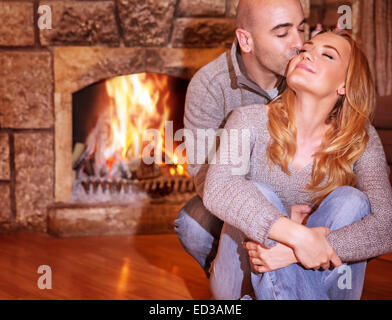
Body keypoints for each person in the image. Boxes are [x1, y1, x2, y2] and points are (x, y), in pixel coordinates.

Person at [202, 30, 392, 300]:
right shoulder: (247, 120)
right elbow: (219, 188)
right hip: (241, 278)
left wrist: (291, 253)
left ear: (345, 85)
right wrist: (299, 237)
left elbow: (387, 226)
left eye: (327, 55)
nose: (307, 54)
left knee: (352, 201)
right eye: (305, 49)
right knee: (258, 192)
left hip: (310, 275)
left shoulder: (360, 138)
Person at [174, 0, 306, 277]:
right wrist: (270, 219)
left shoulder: (311, 71)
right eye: (282, 33)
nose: (299, 43)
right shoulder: (210, 85)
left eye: (301, 29)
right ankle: (235, 289)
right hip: (236, 198)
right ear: (246, 40)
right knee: (191, 224)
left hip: (304, 195)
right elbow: (203, 175)